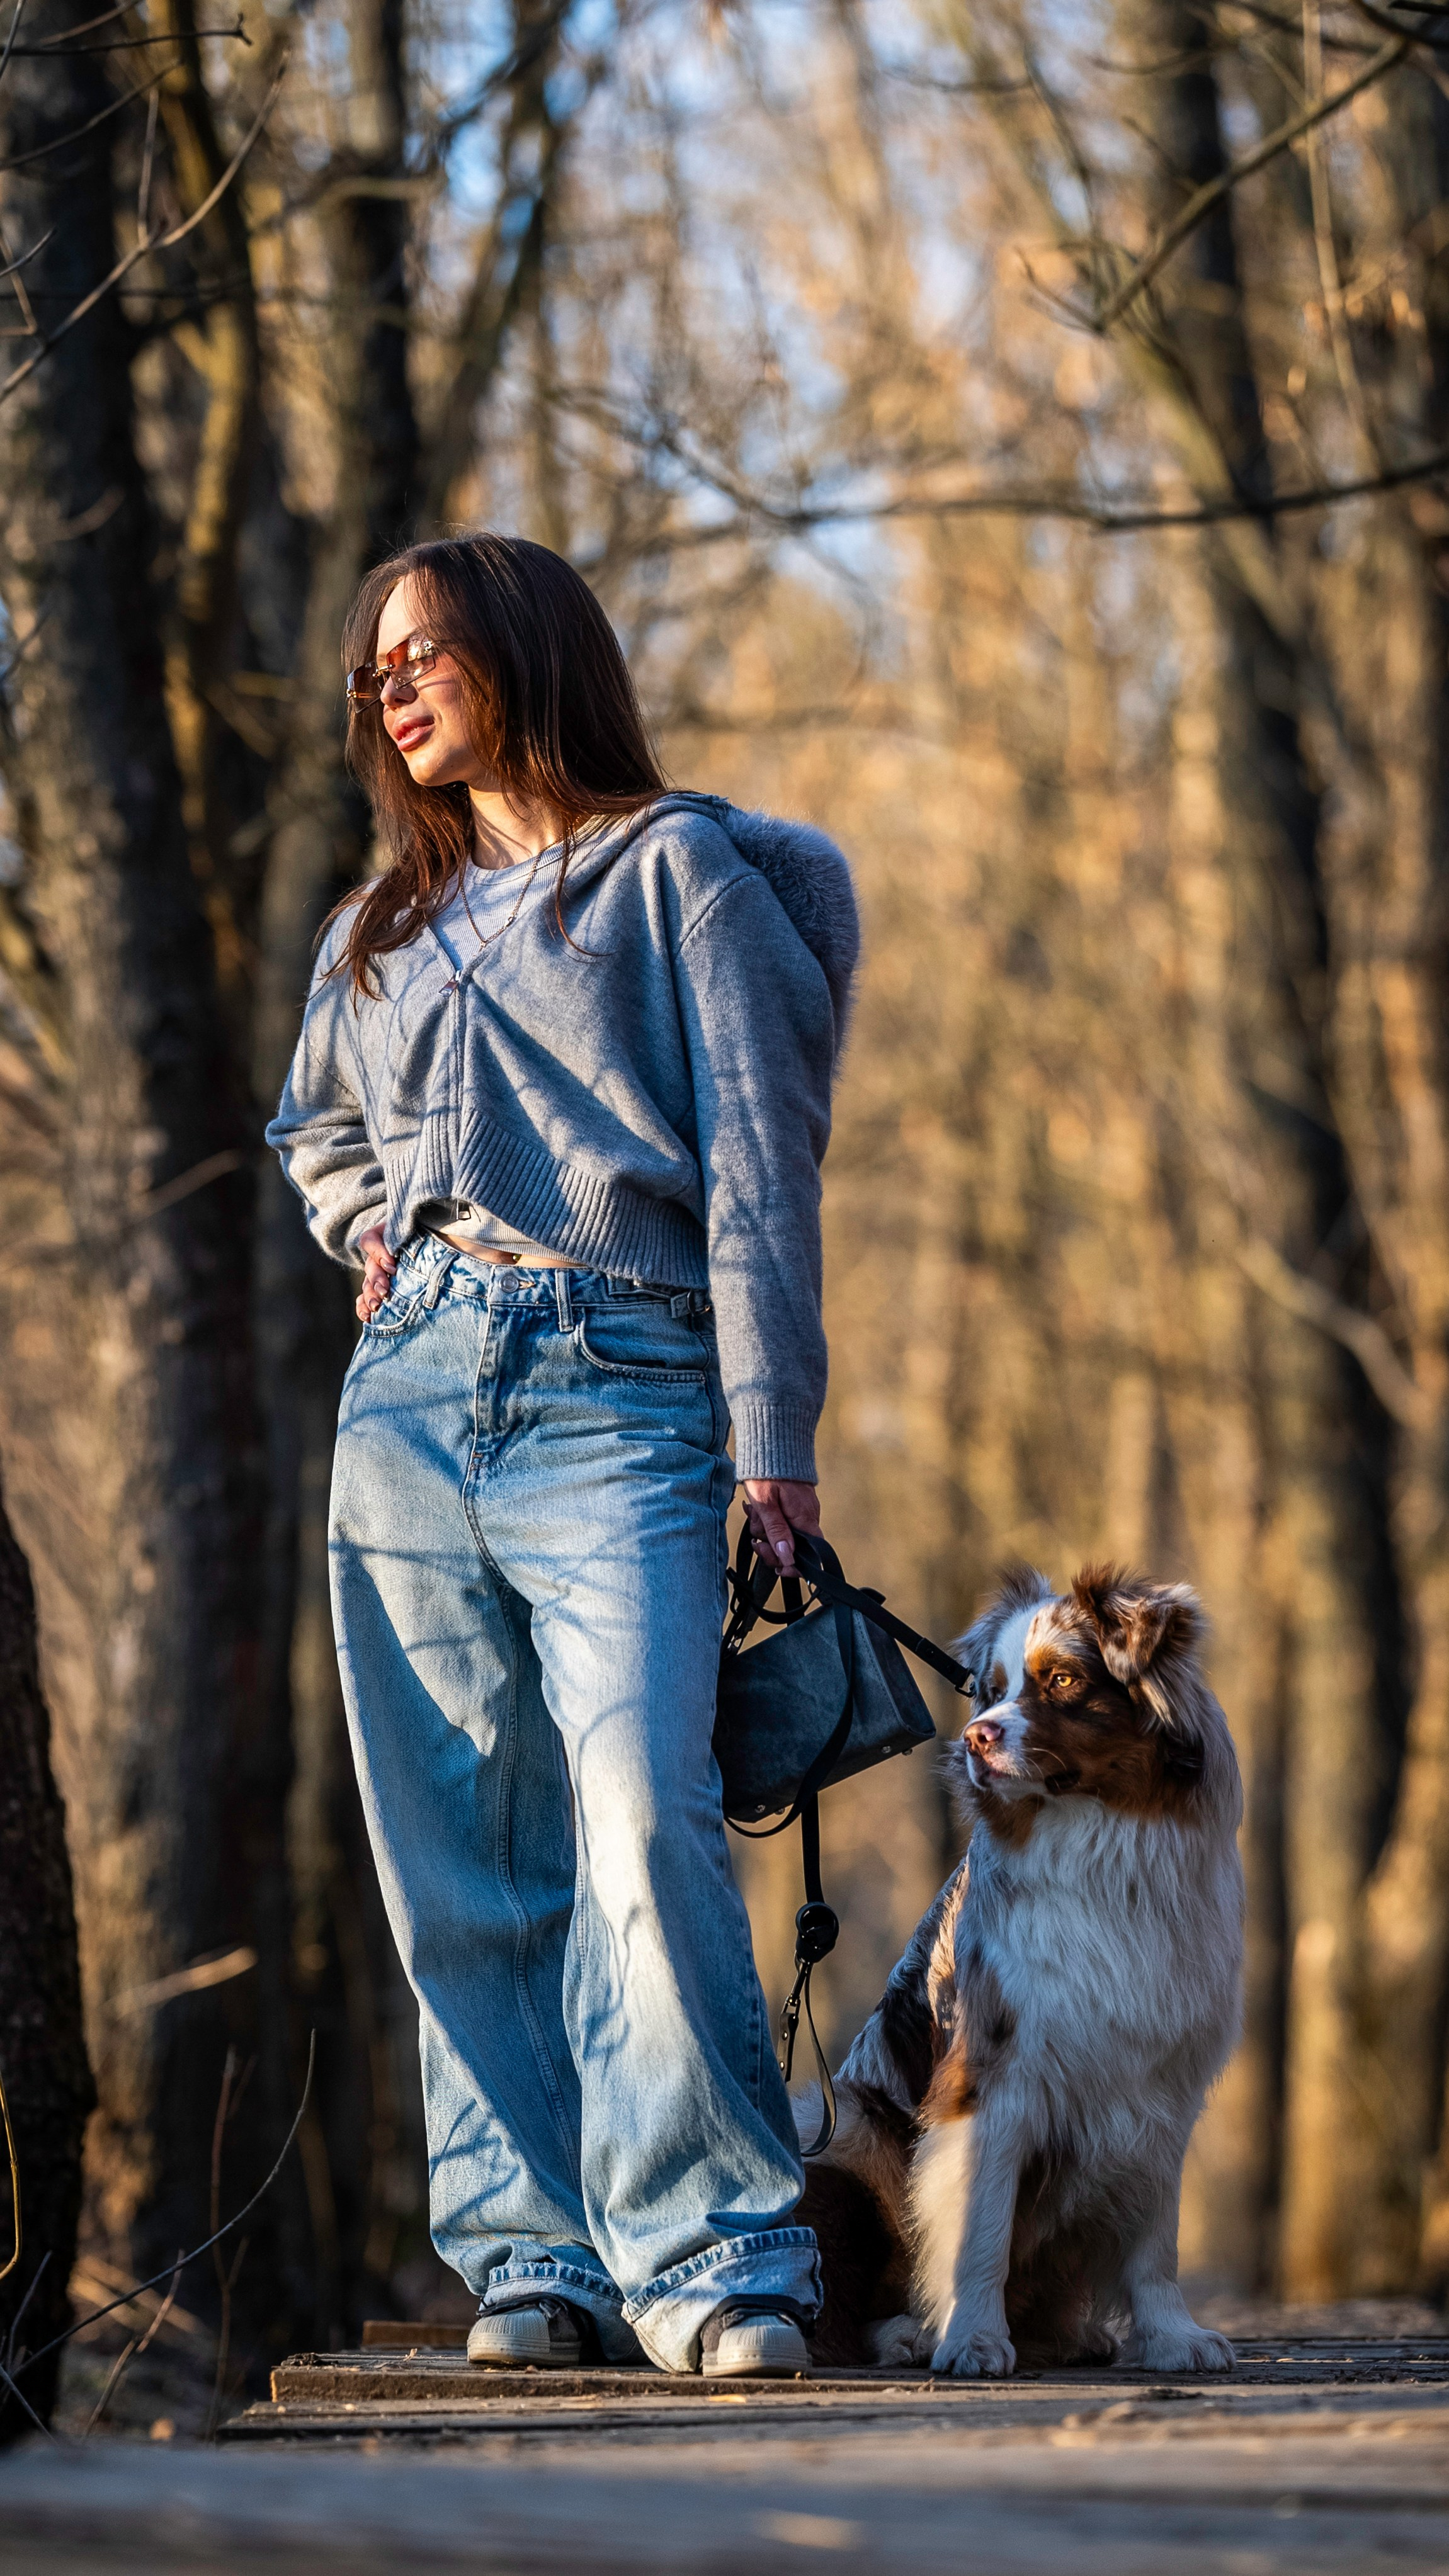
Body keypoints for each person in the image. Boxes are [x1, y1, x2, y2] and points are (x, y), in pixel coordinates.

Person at [267, 533, 858, 2378]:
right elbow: (313, 1127)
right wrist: (373, 1224)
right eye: (380, 671)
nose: (398, 687)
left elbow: (765, 1174)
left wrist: (778, 1437)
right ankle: (537, 2259)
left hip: (629, 1378)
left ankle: (719, 2256)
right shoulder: (373, 930)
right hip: (411, 1409)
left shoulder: (683, 876)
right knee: (461, 1856)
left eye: (428, 650)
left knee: (637, 1812)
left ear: (530, 651)